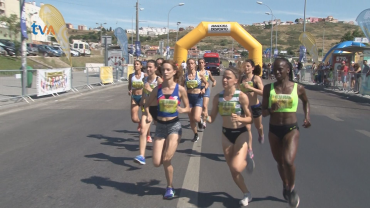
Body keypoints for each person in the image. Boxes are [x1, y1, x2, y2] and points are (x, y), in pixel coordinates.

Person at [261, 58, 311, 208]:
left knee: (288, 161)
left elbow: (306, 102)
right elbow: (263, 112)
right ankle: (285, 184)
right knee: (280, 163)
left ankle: (292, 188)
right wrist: (271, 109)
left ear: (288, 70)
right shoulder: (268, 89)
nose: (276, 72)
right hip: (274, 130)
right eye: (274, 69)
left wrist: (307, 117)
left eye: (280, 69)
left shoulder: (298, 88)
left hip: (291, 129)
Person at [205, 66, 253, 206]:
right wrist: (204, 118)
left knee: (237, 167)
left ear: (236, 80)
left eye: (228, 78)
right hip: (226, 135)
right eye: (224, 77)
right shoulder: (218, 97)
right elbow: (212, 119)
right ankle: (246, 193)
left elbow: (250, 118)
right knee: (233, 170)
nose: (224, 80)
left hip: (240, 133)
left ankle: (247, 159)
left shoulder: (241, 96)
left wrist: (241, 119)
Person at [144, 60, 190, 199]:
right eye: (163, 70)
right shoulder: (157, 89)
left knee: (166, 159)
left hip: (174, 126)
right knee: (156, 162)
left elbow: (188, 107)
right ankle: (168, 181)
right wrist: (148, 115)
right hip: (160, 127)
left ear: (174, 72)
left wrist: (182, 109)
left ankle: (170, 187)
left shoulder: (180, 89)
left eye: (168, 69)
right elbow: (146, 103)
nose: (165, 72)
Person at [134, 60, 163, 165]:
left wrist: (150, 90)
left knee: (161, 133)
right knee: (142, 131)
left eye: (150, 67)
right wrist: (142, 99)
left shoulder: (159, 80)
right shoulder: (145, 78)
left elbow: (162, 96)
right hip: (147, 108)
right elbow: (144, 91)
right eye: (147, 67)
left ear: (155, 68)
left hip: (158, 109)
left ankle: (163, 150)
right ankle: (142, 156)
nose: (148, 69)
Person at [238, 60, 264, 172]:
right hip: (245, 108)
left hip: (255, 107)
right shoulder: (241, 79)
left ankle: (261, 133)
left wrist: (251, 88)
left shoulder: (256, 79)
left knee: (259, 126)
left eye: (248, 66)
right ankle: (250, 150)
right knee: (247, 129)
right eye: (245, 66)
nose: (246, 68)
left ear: (252, 68)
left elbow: (263, 92)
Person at [182, 58, 208, 142]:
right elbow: (181, 87)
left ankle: (200, 120)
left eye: (192, 63)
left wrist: (204, 89)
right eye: (189, 63)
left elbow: (207, 83)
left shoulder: (199, 74)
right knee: (191, 119)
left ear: (195, 65)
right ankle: (196, 134)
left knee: (196, 118)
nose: (190, 65)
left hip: (198, 97)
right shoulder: (184, 76)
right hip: (188, 98)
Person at [197, 58, 216, 129]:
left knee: (205, 106)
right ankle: (201, 118)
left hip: (206, 89)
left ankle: (204, 122)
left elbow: (213, 79)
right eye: (199, 63)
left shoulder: (208, 72)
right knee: (200, 107)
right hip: (198, 90)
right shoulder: (196, 72)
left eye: (202, 62)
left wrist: (214, 82)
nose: (201, 64)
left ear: (204, 64)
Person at [128, 60, 145, 131]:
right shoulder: (131, 76)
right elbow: (129, 86)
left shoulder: (145, 75)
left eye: (137, 64)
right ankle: (140, 123)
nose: (136, 65)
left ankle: (148, 135)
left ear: (141, 66)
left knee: (145, 116)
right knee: (134, 118)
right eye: (135, 64)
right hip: (134, 97)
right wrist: (130, 90)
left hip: (143, 97)